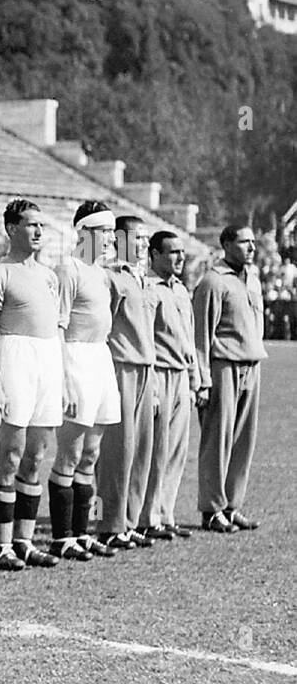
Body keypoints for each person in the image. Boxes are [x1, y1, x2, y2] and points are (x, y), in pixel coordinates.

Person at [0, 198, 62, 571]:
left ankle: (25, 542)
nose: (38, 232)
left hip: (47, 361)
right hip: (15, 360)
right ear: (12, 228)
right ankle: (1, 545)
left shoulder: (49, 276)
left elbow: (55, 331)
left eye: (41, 226)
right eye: (30, 225)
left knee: (37, 456)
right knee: (11, 456)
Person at [47, 202, 122, 562]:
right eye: (104, 232)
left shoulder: (101, 273)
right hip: (75, 357)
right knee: (70, 452)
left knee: (91, 454)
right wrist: (64, 379)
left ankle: (82, 532)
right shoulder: (68, 269)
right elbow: (58, 327)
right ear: (84, 232)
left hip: (100, 357)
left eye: (111, 232)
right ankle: (61, 537)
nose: (111, 238)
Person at [194, 224, 267, 533]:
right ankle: (212, 509)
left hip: (252, 365)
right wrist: (202, 379)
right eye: (244, 242)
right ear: (226, 244)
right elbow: (201, 335)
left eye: (253, 242)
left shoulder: (253, 279)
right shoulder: (213, 281)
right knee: (217, 440)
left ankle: (232, 504)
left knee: (243, 441)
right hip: (223, 365)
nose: (251, 247)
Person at [94, 215, 158, 549]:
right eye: (138, 238)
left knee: (140, 449)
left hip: (146, 368)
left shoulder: (142, 278)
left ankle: (129, 521)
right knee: (115, 451)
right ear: (119, 240)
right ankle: (105, 522)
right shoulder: (111, 278)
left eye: (146, 240)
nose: (144, 245)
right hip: (120, 367)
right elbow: (103, 328)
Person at [138, 230, 202, 539]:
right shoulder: (148, 289)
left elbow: (188, 338)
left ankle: (166, 513)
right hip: (159, 374)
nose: (180, 257)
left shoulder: (180, 289)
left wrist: (194, 379)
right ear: (154, 254)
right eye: (172, 252)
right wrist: (150, 386)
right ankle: (147, 517)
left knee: (177, 451)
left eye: (181, 252)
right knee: (156, 451)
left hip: (180, 376)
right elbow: (147, 340)